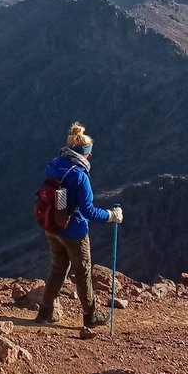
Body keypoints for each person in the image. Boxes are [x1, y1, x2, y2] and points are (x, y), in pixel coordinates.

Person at [35, 121, 123, 329]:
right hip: (74, 231)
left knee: (58, 267)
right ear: (87, 154)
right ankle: (90, 316)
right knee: (83, 271)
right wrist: (112, 215)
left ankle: (45, 311)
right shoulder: (80, 176)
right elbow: (88, 211)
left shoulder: (54, 164)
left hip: (51, 226)